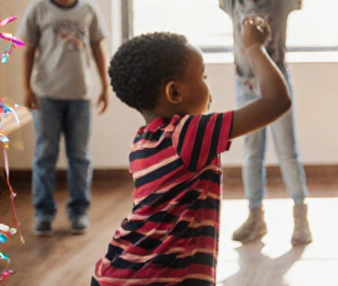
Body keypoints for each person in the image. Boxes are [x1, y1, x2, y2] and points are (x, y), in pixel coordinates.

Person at [92, 18, 292, 285]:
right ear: (174, 92)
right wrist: (254, 47)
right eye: (203, 76)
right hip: (156, 278)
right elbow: (276, 101)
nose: (208, 87)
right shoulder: (187, 134)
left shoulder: (143, 141)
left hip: (119, 271)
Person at [207, 0, 319, 245]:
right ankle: (255, 217)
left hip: (277, 86)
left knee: (287, 152)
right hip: (246, 87)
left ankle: (300, 216)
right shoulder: (233, 4)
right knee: (251, 154)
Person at [19, 0, 110, 236]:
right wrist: (27, 89)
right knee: (45, 155)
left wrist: (105, 86)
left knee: (80, 157)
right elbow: (28, 51)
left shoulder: (88, 10)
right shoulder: (38, 11)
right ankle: (43, 212)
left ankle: (79, 211)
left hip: (80, 96)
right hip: (46, 96)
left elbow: (98, 49)